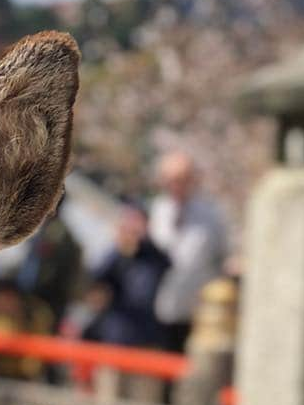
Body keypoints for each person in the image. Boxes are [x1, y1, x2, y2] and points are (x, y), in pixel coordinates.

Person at [148, 150, 227, 352]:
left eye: (182, 180)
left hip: (196, 309)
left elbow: (222, 258)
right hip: (158, 305)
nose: (176, 186)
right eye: (171, 180)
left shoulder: (211, 214)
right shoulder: (157, 209)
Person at [82, 201, 170, 350]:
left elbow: (164, 265)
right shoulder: (116, 256)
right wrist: (119, 247)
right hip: (115, 335)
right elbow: (95, 276)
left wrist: (142, 240)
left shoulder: (153, 257)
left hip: (145, 337)